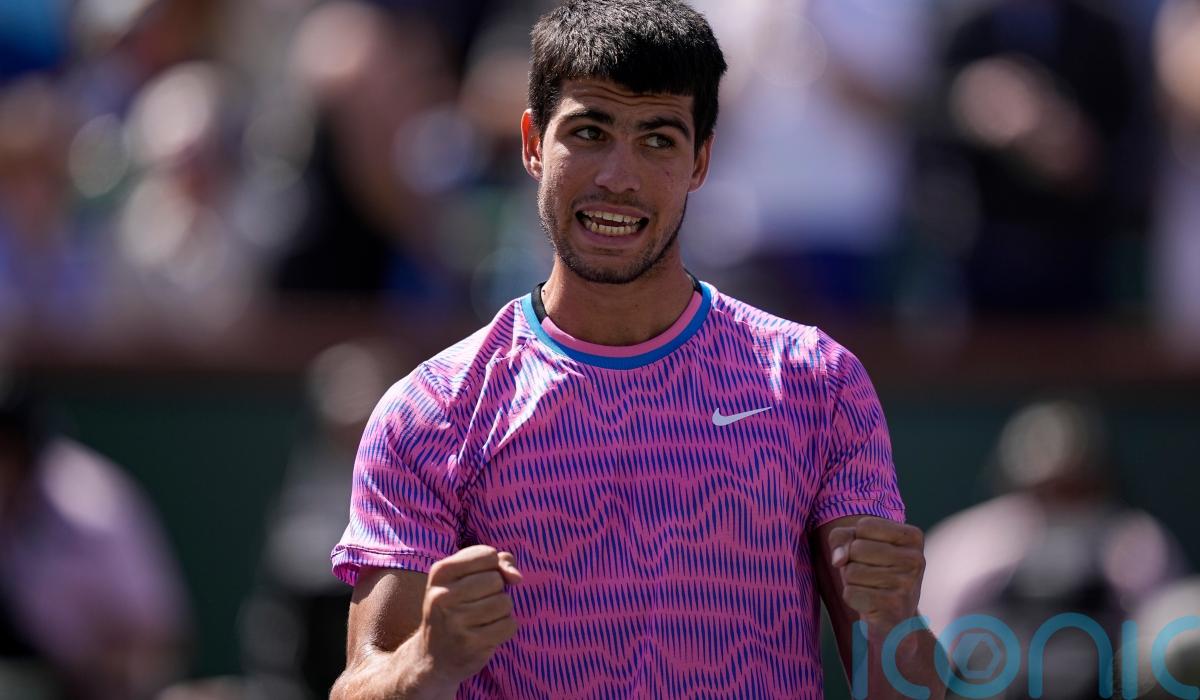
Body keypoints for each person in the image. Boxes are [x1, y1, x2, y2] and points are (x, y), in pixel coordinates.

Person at [330, 1, 944, 697]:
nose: (618, 177)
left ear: (700, 160)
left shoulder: (817, 383)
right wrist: (427, 659)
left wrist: (896, 620)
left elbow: (902, 681)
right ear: (532, 145)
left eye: (657, 140)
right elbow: (362, 681)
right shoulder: (430, 411)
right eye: (589, 133)